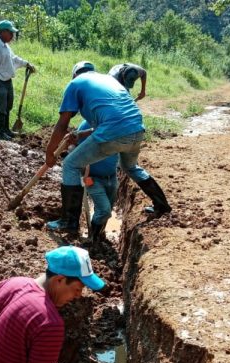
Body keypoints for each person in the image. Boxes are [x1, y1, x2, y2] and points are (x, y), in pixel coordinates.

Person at [45, 61, 171, 235]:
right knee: (130, 167)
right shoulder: (107, 80)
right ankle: (161, 204)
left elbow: (62, 124)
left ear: (75, 75)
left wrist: (49, 152)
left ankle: (69, 221)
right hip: (137, 129)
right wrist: (81, 134)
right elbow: (113, 118)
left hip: (113, 133)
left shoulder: (75, 84)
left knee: (70, 165)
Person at [0, 20, 36, 141]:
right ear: (2, 32)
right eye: (10, 33)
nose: (12, 36)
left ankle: (7, 130)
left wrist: (26, 64)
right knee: (1, 107)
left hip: (8, 81)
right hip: (0, 81)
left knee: (8, 105)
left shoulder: (5, 46)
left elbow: (13, 59)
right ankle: (0, 132)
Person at [76, 119, 119, 247]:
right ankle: (93, 238)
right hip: (93, 178)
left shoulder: (115, 124)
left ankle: (99, 234)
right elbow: (78, 151)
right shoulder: (86, 127)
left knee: (107, 209)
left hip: (112, 176)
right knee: (105, 210)